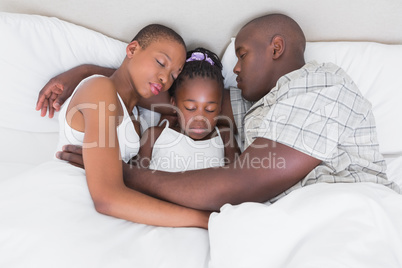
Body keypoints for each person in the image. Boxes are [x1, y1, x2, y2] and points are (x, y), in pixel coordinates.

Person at [47, 14, 400, 212]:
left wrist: (128, 176)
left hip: (349, 208)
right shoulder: (246, 102)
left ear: (276, 47)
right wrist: (83, 75)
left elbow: (246, 181)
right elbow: (151, 93)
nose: (237, 69)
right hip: (287, 219)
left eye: (242, 55)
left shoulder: (320, 83)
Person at [48, 23, 211, 228]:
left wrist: (86, 69)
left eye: (173, 75)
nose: (165, 79)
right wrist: (204, 219)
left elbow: (180, 107)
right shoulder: (99, 88)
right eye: (161, 62)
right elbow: (107, 197)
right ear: (132, 49)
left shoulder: (133, 113)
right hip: (71, 199)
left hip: (103, 209)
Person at [135, 47, 240, 172]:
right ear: (174, 105)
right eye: (190, 108)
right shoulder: (155, 135)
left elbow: (239, 179)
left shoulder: (224, 136)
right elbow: (135, 176)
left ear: (220, 108)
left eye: (211, 109)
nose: (200, 119)